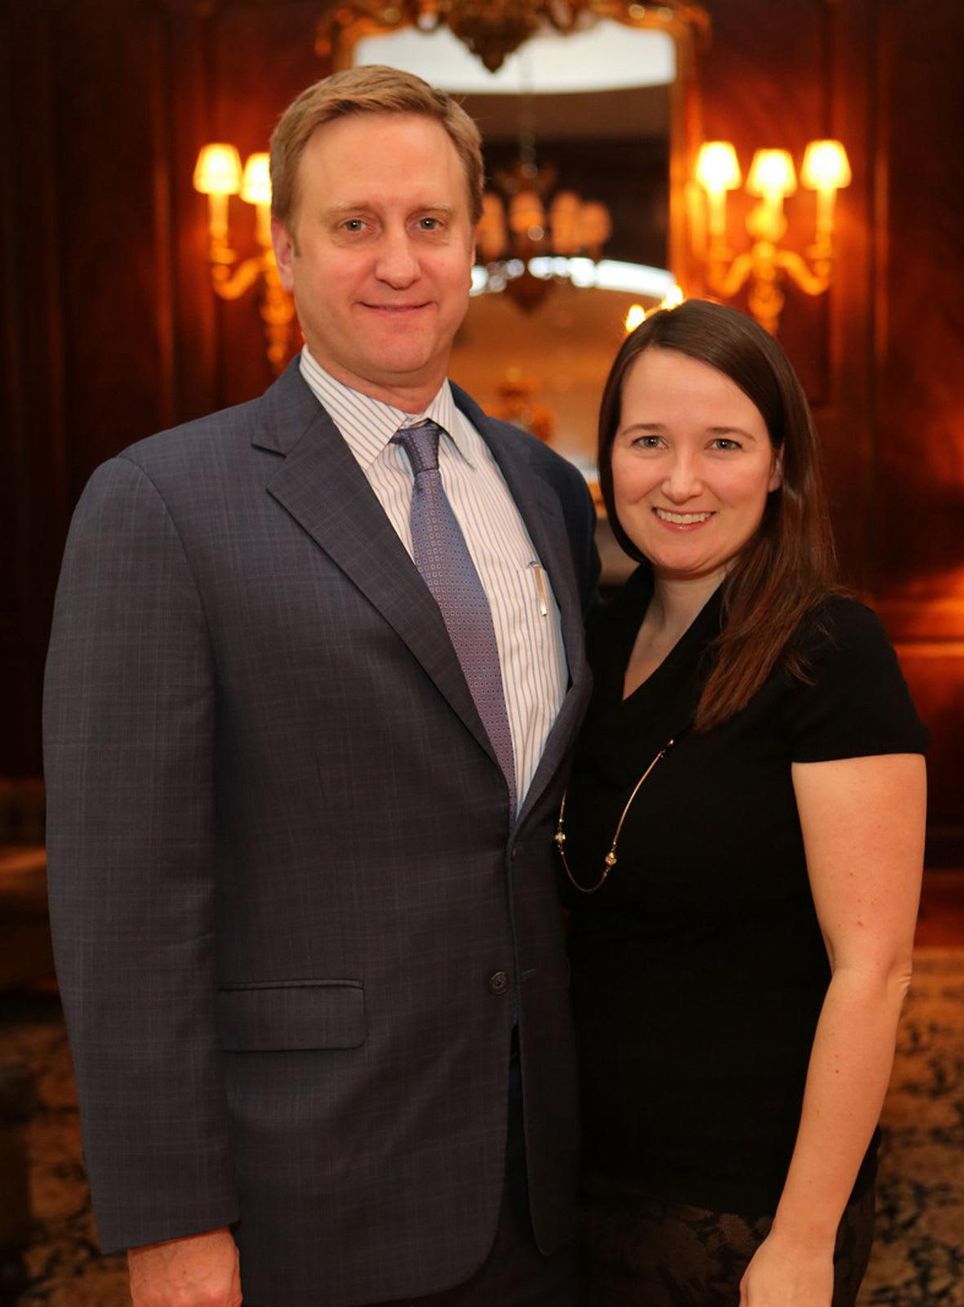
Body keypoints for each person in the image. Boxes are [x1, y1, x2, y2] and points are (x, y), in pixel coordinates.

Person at [43, 66, 598, 1307]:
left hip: (544, 1176)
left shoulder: (547, 490)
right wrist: (174, 1224)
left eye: (429, 223)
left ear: (471, 245)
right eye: (354, 226)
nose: (397, 261)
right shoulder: (160, 505)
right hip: (307, 1185)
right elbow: (125, 908)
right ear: (284, 250)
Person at [556, 299, 927, 1307]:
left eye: (722, 443)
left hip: (740, 1203)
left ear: (776, 465)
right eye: (647, 442)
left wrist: (803, 1235)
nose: (678, 480)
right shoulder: (592, 637)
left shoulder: (829, 652)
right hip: (578, 1177)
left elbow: (874, 967)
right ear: (607, 458)